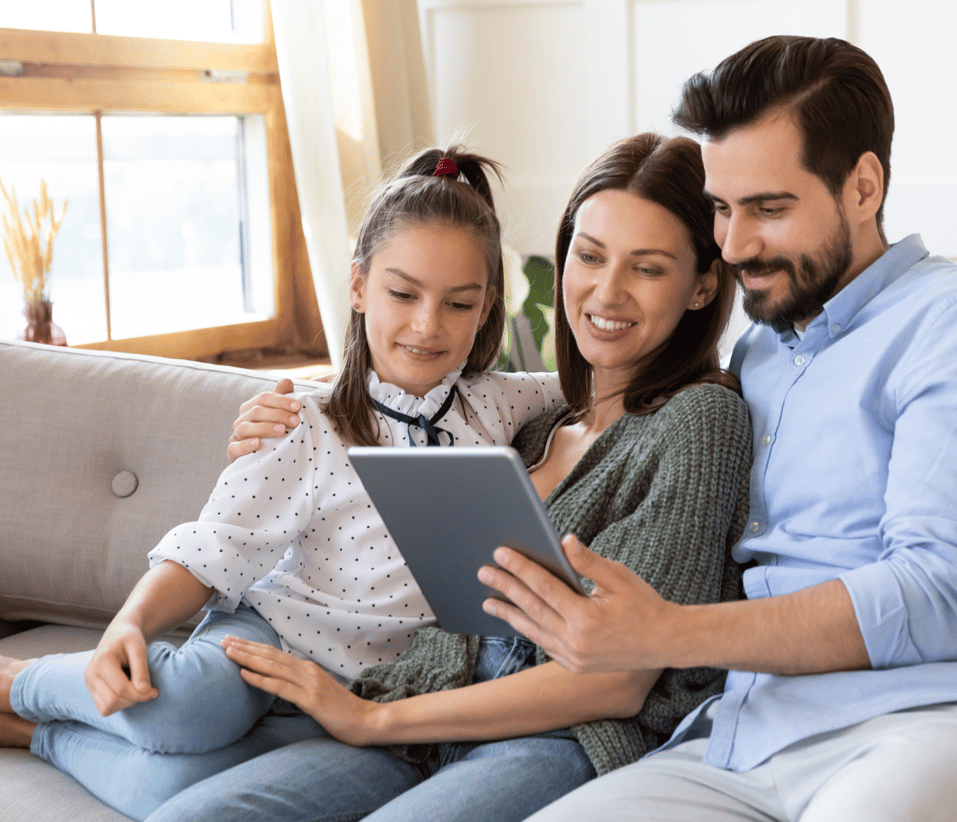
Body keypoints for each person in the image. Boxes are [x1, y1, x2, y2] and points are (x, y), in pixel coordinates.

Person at [478, 35, 957, 821]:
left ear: (863, 185)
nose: (733, 244)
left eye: (769, 209)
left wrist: (665, 633)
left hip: (938, 720)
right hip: (741, 737)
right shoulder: (760, 352)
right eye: (721, 208)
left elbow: (939, 597)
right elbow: (611, 394)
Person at [141, 132, 753, 822]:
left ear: (702, 284)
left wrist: (368, 723)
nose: (604, 292)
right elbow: (406, 390)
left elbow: (618, 681)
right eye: (588, 255)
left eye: (647, 269)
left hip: (553, 738)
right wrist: (300, 403)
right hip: (424, 706)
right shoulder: (527, 425)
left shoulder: (700, 422)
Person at [0, 146, 567, 820]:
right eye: (402, 292)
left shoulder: (501, 403)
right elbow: (213, 548)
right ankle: (19, 684)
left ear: (486, 309)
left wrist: (705, 372)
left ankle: (37, 736)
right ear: (357, 286)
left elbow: (607, 386)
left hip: (357, 691)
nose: (426, 324)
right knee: (185, 709)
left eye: (458, 303)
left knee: (168, 792)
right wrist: (130, 622)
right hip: (266, 640)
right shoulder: (303, 419)